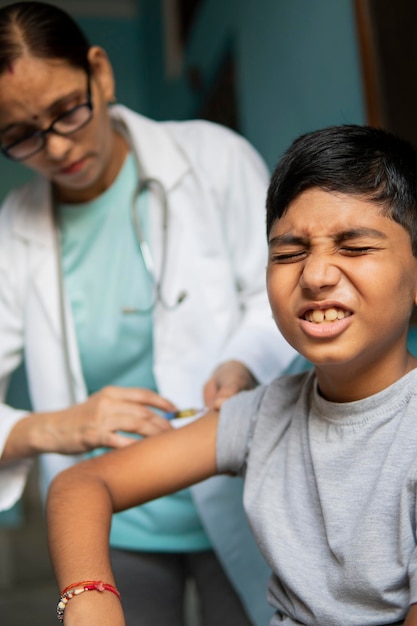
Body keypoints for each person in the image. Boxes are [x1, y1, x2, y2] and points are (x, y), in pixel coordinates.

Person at [47, 123, 417, 626]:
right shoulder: (262, 415)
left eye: (354, 247)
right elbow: (81, 484)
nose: (315, 275)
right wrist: (90, 595)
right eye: (288, 253)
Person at [0, 2, 296, 625]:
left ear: (100, 75)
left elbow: (280, 292)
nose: (55, 147)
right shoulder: (13, 232)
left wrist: (240, 364)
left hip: (244, 491)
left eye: (67, 111)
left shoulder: (214, 158)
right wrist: (55, 426)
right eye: (21, 135)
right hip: (113, 520)